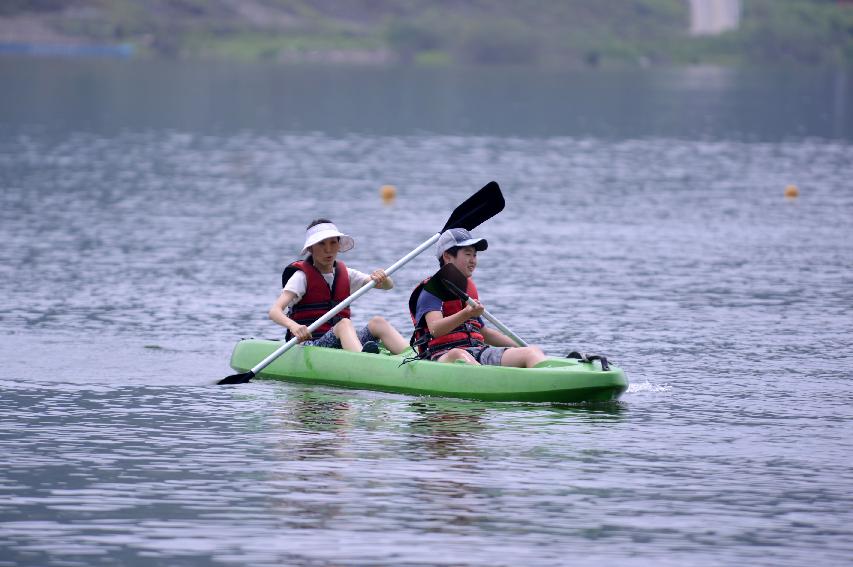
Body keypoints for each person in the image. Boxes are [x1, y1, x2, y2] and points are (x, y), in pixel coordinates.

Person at [409, 228, 547, 367]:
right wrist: (466, 313)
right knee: (460, 355)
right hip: (443, 357)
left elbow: (484, 333)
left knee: (532, 352)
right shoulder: (431, 290)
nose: (473, 260)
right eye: (468, 254)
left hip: (479, 352)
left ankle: (547, 374)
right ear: (448, 256)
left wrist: (521, 347)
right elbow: (435, 330)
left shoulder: (467, 289)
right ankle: (488, 382)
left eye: (474, 255)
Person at [269, 219, 408, 354]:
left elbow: (387, 286)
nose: (328, 249)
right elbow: (274, 311)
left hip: (341, 341)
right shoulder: (301, 277)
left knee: (378, 322)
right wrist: (294, 326)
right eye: (321, 244)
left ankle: (413, 358)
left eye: (333, 243)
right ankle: (363, 362)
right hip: (311, 345)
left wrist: (383, 277)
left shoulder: (346, 274)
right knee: (344, 324)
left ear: (338, 245)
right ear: (311, 248)